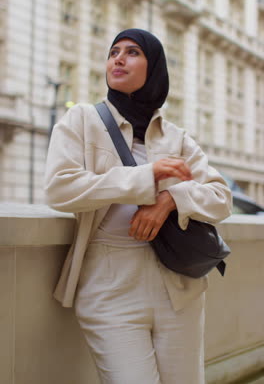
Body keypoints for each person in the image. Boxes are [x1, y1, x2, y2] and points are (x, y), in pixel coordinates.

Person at [44, 28, 232, 384]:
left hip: (179, 288)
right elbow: (59, 189)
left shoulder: (177, 137)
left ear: (154, 68)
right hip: (109, 286)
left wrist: (170, 200)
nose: (118, 58)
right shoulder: (82, 120)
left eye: (132, 52)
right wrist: (147, 179)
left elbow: (221, 198)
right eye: (114, 51)